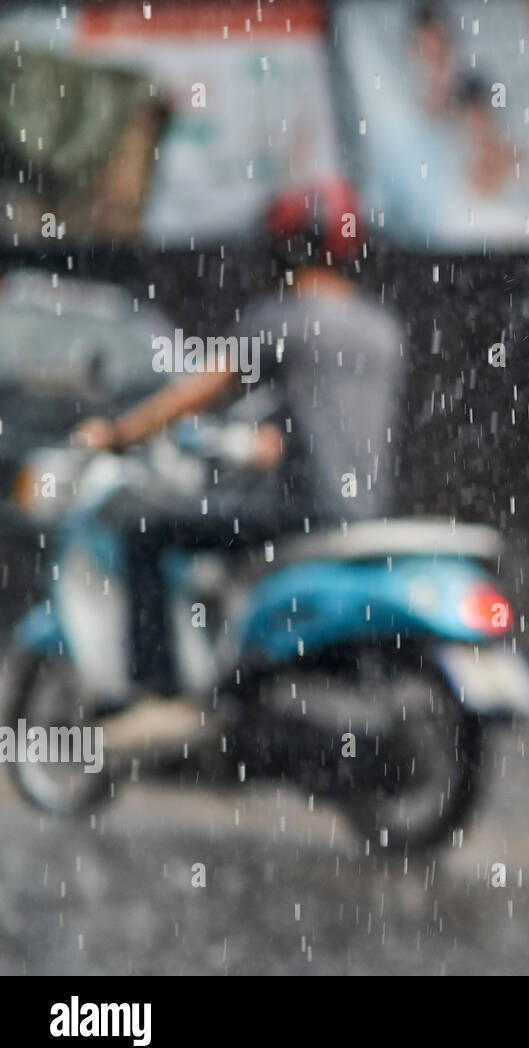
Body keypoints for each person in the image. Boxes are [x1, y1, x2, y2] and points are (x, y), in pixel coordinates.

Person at [72, 175, 407, 696]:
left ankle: (155, 694)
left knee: (146, 533)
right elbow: (332, 412)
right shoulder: (381, 330)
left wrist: (118, 433)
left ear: (285, 247)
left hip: (301, 514)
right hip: (367, 514)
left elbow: (197, 393)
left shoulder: (282, 320)